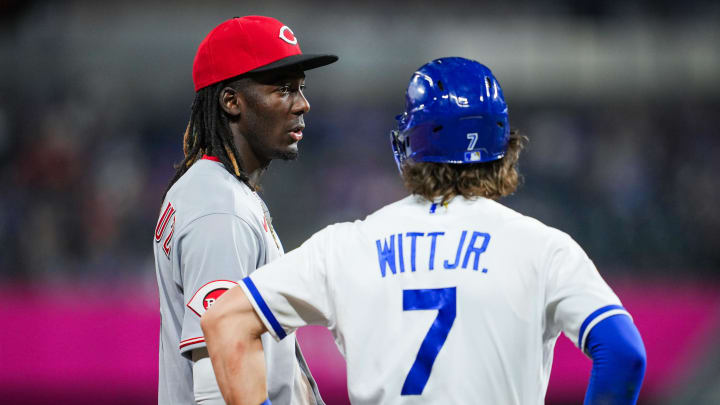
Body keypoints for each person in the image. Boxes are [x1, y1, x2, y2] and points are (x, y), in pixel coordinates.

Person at [201, 57, 647, 405]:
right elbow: (623, 353)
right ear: (504, 149)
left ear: (412, 143)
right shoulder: (543, 248)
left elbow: (224, 321)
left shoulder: (346, 246)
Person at [152, 15, 337, 405]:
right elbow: (217, 376)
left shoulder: (218, 190)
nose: (303, 104)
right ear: (232, 101)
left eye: (301, 88)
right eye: (283, 89)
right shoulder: (219, 209)